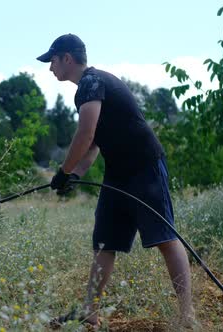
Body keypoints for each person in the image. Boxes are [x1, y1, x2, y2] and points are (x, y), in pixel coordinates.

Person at [37, 34, 196, 329]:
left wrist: (62, 171)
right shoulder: (86, 89)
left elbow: (85, 135)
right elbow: (95, 144)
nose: (50, 68)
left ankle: (187, 317)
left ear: (67, 59)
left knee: (164, 238)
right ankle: (89, 311)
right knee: (104, 242)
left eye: (52, 61)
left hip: (145, 166)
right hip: (118, 174)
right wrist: (75, 175)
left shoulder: (91, 83)